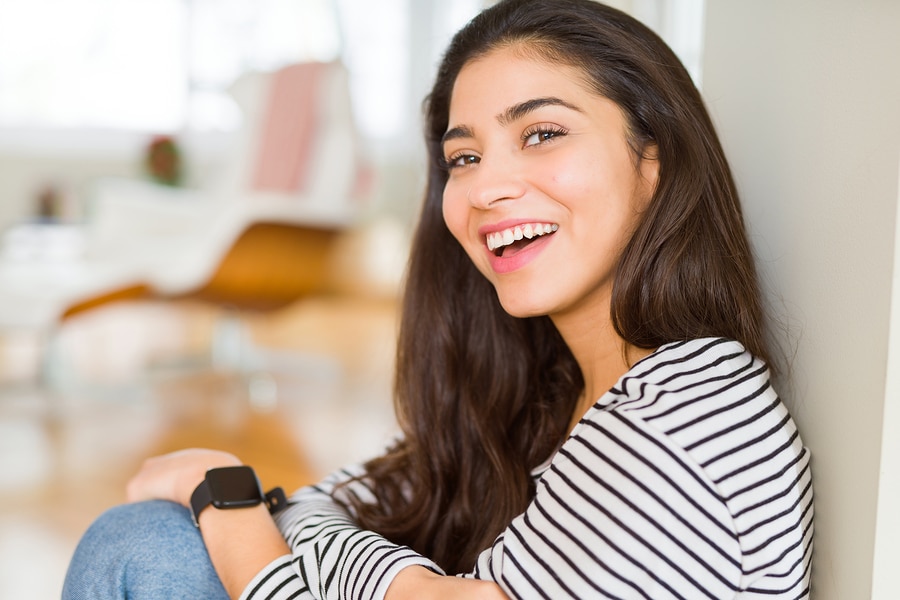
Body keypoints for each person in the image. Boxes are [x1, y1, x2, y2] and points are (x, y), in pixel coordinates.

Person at [62, 0, 814, 598]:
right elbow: (316, 505)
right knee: (157, 539)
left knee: (146, 545)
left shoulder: (682, 413)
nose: (486, 186)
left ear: (654, 160)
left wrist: (226, 498)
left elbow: (278, 522)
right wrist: (406, 584)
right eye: (464, 157)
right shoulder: (548, 395)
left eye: (543, 133)